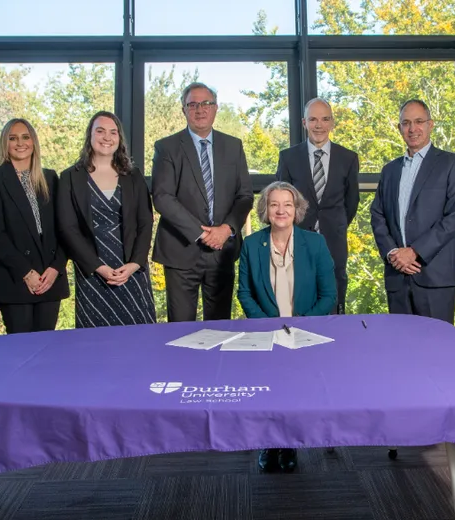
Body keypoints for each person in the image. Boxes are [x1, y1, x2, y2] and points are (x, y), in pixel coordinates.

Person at [237, 181, 337, 472]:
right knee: (268, 389)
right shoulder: (252, 244)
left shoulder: (314, 243)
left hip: (304, 331)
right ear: (265, 210)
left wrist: (301, 326)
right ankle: (270, 442)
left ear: (297, 210)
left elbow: (328, 294)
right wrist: (266, 325)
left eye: (287, 204)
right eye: (274, 204)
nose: (281, 210)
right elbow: (244, 293)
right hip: (265, 331)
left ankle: (290, 442)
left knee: (296, 390)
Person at [152, 82, 254, 322]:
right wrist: (203, 233)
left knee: (219, 326)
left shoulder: (233, 146)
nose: (200, 109)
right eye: (193, 104)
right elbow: (162, 197)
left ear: (216, 108)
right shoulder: (166, 147)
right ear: (184, 110)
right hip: (181, 249)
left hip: (222, 252)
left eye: (206, 103)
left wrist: (226, 230)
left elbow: (245, 196)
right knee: (180, 327)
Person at [370, 99, 455, 323]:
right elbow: (377, 215)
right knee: (401, 347)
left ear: (430, 124)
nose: (412, 129)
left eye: (418, 121)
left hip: (435, 275)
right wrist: (393, 253)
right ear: (399, 128)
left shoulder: (452, 164)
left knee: (437, 350)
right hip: (397, 274)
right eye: (406, 123)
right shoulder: (390, 170)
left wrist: (414, 252)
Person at [57, 111, 156, 327]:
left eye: (113, 132)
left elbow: (145, 223)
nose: (107, 137)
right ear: (89, 136)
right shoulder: (70, 177)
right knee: (95, 341)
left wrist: (135, 264)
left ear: (119, 138)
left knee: (138, 337)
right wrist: (97, 267)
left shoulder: (133, 176)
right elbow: (67, 228)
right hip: (92, 270)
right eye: (100, 131)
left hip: (131, 269)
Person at [0, 118, 69, 333]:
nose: (20, 143)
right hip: (15, 276)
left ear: (34, 141)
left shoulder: (49, 177)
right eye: (13, 138)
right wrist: (26, 273)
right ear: (5, 143)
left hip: (50, 276)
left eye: (25, 137)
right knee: (20, 348)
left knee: (47, 346)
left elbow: (65, 227)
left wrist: (56, 268)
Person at [276, 98, 359, 313]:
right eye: (313, 119)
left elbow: (351, 202)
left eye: (324, 119)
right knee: (297, 304)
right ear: (304, 122)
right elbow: (280, 203)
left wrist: (336, 225)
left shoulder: (348, 158)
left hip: (334, 241)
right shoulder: (288, 157)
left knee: (333, 304)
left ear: (332, 122)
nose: (318, 125)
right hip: (297, 241)